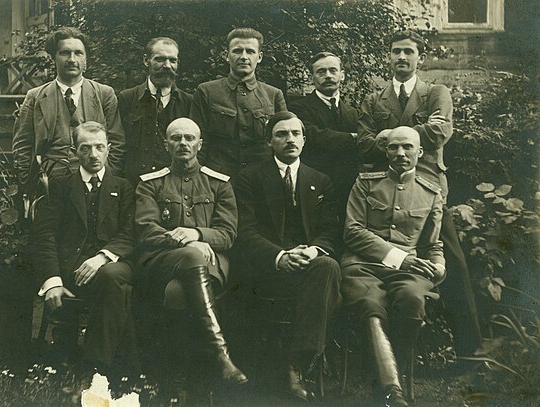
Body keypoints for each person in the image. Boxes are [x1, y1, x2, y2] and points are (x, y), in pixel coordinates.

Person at [357, 30, 481, 355]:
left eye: (408, 52)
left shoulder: (435, 93)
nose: (401, 58)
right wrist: (406, 136)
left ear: (419, 58)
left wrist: (391, 135)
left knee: (450, 261)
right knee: (377, 260)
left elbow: (440, 131)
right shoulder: (374, 99)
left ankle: (470, 352)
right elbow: (362, 142)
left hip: (428, 193)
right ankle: (385, 353)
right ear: (389, 56)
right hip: (383, 193)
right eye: (396, 51)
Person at [134, 118, 247, 400]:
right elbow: (146, 231)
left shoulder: (219, 184)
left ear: (200, 144)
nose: (183, 143)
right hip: (162, 262)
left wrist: (197, 233)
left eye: (189, 138)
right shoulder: (150, 184)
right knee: (190, 257)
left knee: (176, 293)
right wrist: (186, 241)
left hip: (211, 265)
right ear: (166, 145)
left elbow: (228, 234)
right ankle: (220, 357)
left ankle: (180, 374)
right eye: (176, 138)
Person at [235, 111, 342, 401]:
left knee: (328, 265)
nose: (289, 139)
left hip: (309, 265)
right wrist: (280, 255)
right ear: (270, 141)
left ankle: (297, 363)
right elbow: (245, 231)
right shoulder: (248, 178)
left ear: (304, 140)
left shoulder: (320, 181)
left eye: (295, 133)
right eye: (281, 134)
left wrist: (311, 250)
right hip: (266, 269)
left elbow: (330, 231)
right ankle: (297, 365)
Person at [342, 127, 445, 407]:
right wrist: (401, 257)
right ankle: (392, 391)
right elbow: (352, 232)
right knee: (370, 303)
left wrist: (438, 265)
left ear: (419, 152)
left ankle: (390, 379)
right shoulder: (365, 184)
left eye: (407, 147)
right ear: (385, 151)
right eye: (393, 147)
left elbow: (432, 244)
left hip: (409, 271)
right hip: (362, 265)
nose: (400, 153)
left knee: (412, 299)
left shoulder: (431, 192)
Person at [33, 122, 135, 373]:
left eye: (100, 147)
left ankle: (93, 366)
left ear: (109, 149)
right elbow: (44, 235)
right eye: (85, 148)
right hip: (71, 269)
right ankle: (116, 366)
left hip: (112, 265)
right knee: (114, 288)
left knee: (112, 276)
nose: (93, 154)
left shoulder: (123, 187)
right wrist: (53, 281)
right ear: (74, 151)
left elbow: (131, 232)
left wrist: (102, 257)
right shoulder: (60, 186)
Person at [13, 27, 125, 196]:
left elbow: (117, 142)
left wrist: (105, 178)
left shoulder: (104, 94)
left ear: (86, 58)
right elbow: (22, 146)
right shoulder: (35, 97)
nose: (72, 59)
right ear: (53, 58)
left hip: (94, 183)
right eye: (65, 53)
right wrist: (29, 185)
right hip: (50, 184)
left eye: (78, 53)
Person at [191, 27, 287, 179]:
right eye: (237, 51)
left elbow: (283, 143)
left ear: (260, 57)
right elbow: (198, 142)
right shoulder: (207, 92)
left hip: (261, 179)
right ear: (226, 55)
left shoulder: (273, 95)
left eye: (250, 51)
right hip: (218, 178)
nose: (243, 56)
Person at [288, 52, 359, 209]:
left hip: (347, 187)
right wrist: (353, 138)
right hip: (314, 186)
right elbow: (313, 136)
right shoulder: (299, 108)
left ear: (342, 75)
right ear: (311, 77)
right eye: (321, 72)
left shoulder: (353, 112)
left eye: (333, 70)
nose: (328, 76)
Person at [118, 37, 192, 184]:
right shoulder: (127, 98)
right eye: (160, 59)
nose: (167, 65)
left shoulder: (189, 102)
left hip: (176, 185)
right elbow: (119, 146)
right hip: (135, 184)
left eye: (172, 60)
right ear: (146, 60)